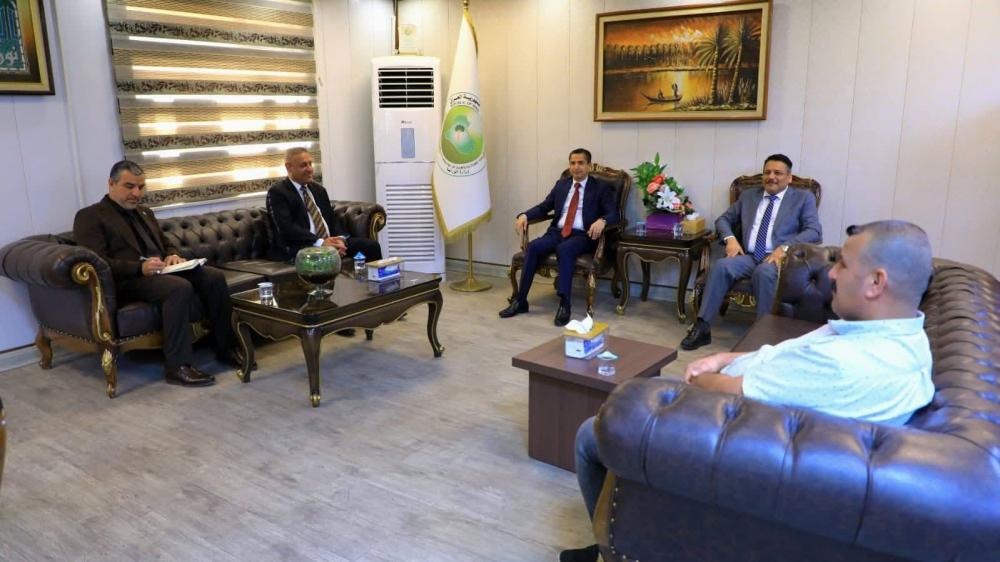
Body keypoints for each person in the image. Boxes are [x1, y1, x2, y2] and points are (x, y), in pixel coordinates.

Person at [560, 220, 935, 562]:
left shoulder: (844, 365)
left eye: (843, 265)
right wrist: (725, 356)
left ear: (876, 282)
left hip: (734, 434)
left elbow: (732, 396)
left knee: (594, 432)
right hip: (752, 416)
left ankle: (612, 549)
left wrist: (700, 379)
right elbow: (784, 355)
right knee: (649, 389)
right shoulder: (893, 333)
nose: (831, 273)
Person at [73, 160, 244, 387]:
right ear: (111, 184)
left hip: (160, 271)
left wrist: (173, 255)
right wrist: (139, 268)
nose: (136, 193)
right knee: (178, 287)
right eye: (129, 186)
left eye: (141, 187)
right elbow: (97, 261)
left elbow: (165, 243)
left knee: (213, 277)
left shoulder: (144, 212)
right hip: (127, 280)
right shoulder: (90, 216)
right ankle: (177, 366)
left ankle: (226, 348)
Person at [681, 153, 821, 351]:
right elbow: (723, 220)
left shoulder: (802, 198)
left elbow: (814, 231)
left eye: (778, 173)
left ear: (789, 177)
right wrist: (730, 239)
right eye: (767, 172)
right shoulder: (749, 196)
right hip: (749, 256)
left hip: (777, 259)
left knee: (764, 272)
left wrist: (784, 248)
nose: (771, 177)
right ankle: (702, 327)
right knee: (721, 266)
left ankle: (763, 334)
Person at [498, 148, 618, 326]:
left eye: (580, 163)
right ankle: (520, 301)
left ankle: (564, 304)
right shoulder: (561, 185)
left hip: (582, 235)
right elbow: (544, 207)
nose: (576, 167)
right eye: (572, 163)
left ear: (589, 166)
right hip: (557, 232)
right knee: (533, 247)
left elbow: (614, 214)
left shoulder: (600, 187)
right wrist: (524, 215)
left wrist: (603, 220)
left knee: (565, 249)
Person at [266, 147, 382, 264]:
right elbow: (287, 228)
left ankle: (375, 276)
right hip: (303, 245)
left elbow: (332, 219)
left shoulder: (318, 190)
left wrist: (340, 239)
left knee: (371, 246)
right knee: (324, 256)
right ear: (289, 167)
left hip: (329, 241)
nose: (310, 169)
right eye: (303, 165)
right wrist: (320, 242)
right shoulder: (278, 192)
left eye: (310, 164)